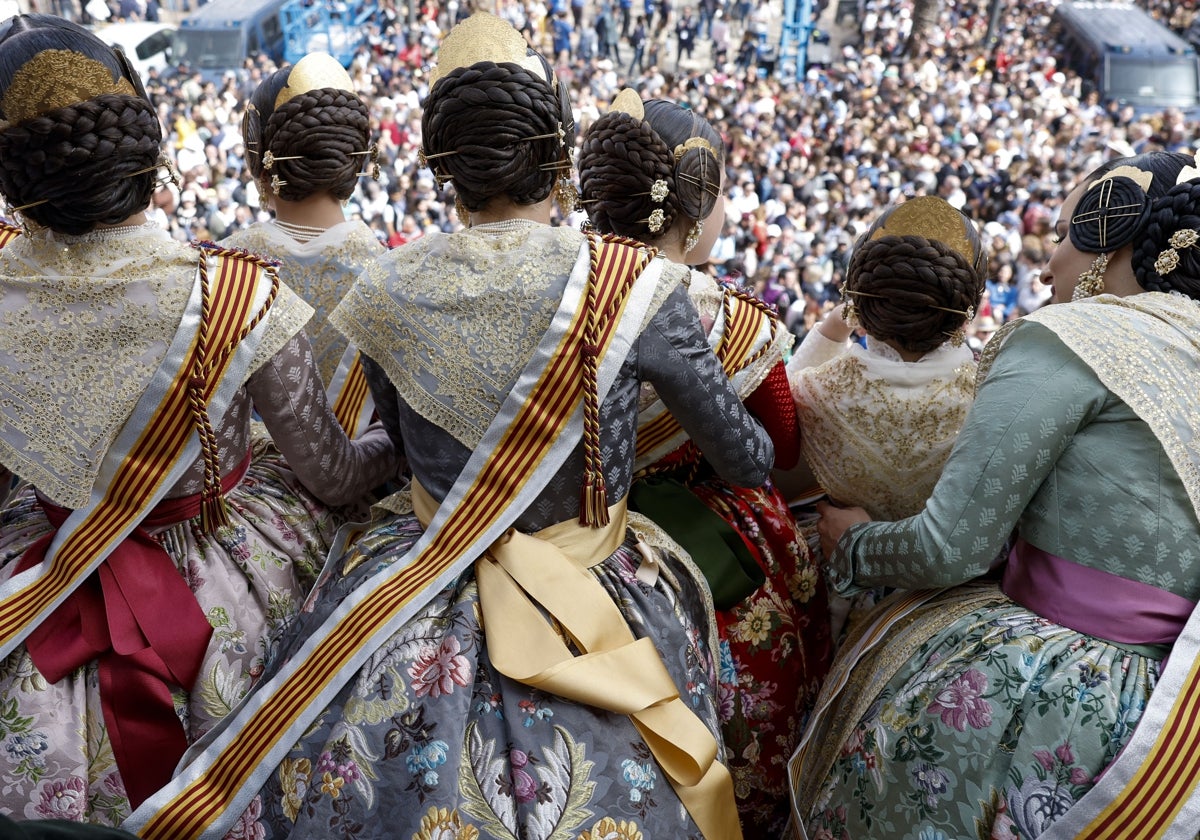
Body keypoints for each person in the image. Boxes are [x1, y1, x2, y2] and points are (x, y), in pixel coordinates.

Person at [128, 13, 772, 839]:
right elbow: (747, 459)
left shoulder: (391, 286)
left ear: (440, 167)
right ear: (560, 158)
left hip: (417, 584)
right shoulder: (635, 287)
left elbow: (393, 450)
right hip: (602, 590)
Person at [0, 14, 397, 824]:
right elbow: (333, 475)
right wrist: (397, 445)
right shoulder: (237, 296)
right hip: (226, 592)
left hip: (38, 586)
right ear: (148, 151)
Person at [791, 151, 1200, 839]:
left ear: (1112, 234)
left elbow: (948, 547)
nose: (1046, 268)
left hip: (1050, 693)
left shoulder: (1068, 336)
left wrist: (854, 542)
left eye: (1066, 234)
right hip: (1175, 727)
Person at [577, 89, 832, 836]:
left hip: (572, 521)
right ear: (696, 208)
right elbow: (777, 451)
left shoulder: (560, 290)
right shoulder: (735, 320)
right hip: (713, 540)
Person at [223, 52, 385, 439]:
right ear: (355, 160)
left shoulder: (220, 270)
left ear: (260, 160)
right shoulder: (396, 272)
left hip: (246, 487)